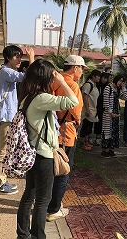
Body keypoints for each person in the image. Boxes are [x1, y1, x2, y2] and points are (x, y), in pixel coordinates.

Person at [16, 59, 78, 239]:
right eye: (52, 75)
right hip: (43, 155)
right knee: (43, 200)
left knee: (29, 195)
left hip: (33, 152)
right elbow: (72, 101)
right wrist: (63, 82)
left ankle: (23, 234)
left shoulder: (28, 96)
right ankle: (37, 236)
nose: (54, 78)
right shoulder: (41, 98)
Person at [46, 55, 85, 221]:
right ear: (75, 68)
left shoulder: (53, 80)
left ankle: (50, 202)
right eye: (82, 69)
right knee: (63, 169)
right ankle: (54, 208)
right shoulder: (72, 84)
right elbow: (75, 110)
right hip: (67, 131)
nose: (82, 72)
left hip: (52, 129)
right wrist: (78, 120)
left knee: (53, 168)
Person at [0, 45, 35, 195]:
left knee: (7, 150)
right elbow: (27, 77)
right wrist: (31, 59)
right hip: (6, 117)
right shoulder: (6, 72)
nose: (19, 60)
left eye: (20, 57)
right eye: (17, 57)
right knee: (3, 151)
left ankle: (2, 180)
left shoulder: (9, 72)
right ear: (9, 58)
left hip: (9, 116)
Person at [101, 74, 127, 157]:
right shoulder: (108, 88)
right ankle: (104, 150)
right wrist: (110, 113)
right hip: (108, 114)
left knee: (114, 131)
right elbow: (105, 102)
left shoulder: (118, 89)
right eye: (119, 81)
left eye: (122, 82)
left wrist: (123, 88)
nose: (120, 83)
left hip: (116, 112)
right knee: (107, 131)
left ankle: (111, 149)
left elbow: (124, 98)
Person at [79, 69, 101, 150]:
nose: (99, 78)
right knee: (85, 126)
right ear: (93, 76)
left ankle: (86, 141)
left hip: (93, 109)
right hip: (88, 110)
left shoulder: (94, 85)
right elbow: (85, 96)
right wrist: (87, 109)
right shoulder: (88, 85)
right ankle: (82, 143)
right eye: (98, 76)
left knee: (89, 127)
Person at [93, 72, 111, 145]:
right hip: (97, 106)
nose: (106, 80)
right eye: (105, 78)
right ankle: (97, 137)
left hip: (104, 107)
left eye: (108, 78)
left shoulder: (107, 87)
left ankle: (102, 137)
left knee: (104, 123)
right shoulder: (97, 85)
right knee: (98, 122)